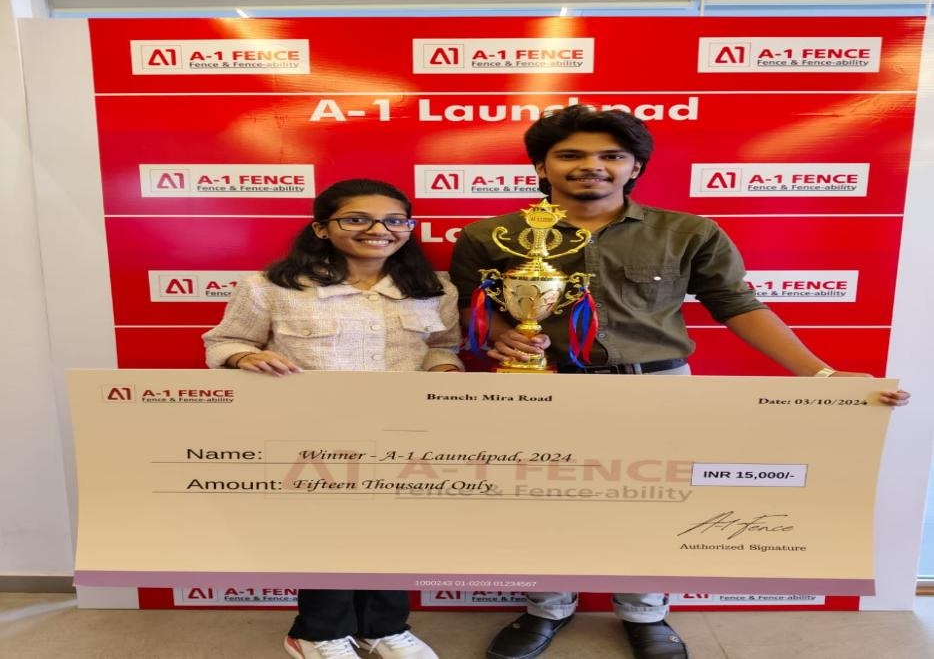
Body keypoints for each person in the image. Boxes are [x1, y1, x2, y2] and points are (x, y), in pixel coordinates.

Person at [448, 105, 910, 659]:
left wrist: (822, 374)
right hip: (543, 388)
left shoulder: (688, 232)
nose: (591, 165)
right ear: (541, 167)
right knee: (542, 501)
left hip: (657, 390)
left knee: (654, 502)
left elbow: (738, 305)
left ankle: (645, 612)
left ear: (635, 166)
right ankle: (546, 608)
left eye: (611, 155)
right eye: (570, 155)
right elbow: (474, 306)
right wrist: (503, 336)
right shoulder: (490, 235)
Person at [204, 178, 463, 659]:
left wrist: (444, 370)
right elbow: (225, 341)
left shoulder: (434, 289)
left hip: (403, 433)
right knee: (325, 532)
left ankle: (382, 627)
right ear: (322, 228)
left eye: (394, 220)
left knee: (394, 530)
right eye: (356, 219)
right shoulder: (270, 288)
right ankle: (317, 632)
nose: (378, 230)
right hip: (310, 434)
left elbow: (442, 347)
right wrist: (244, 357)